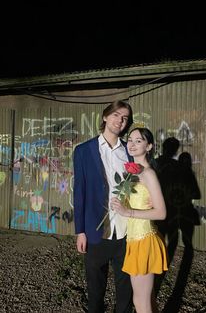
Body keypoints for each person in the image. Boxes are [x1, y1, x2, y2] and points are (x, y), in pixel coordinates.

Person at [73, 100, 134, 313]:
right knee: (95, 293)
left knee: (125, 293)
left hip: (126, 232)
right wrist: (80, 231)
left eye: (125, 118)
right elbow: (79, 192)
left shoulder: (129, 152)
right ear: (105, 117)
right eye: (116, 115)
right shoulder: (83, 151)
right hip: (95, 232)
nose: (120, 120)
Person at [111, 127, 168, 313]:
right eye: (130, 140)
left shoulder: (148, 174)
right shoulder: (132, 173)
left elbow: (161, 213)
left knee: (140, 301)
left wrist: (128, 212)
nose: (132, 144)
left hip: (144, 240)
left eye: (139, 141)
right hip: (133, 240)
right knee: (148, 299)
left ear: (149, 146)